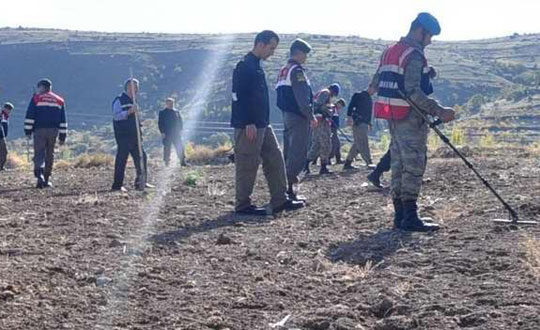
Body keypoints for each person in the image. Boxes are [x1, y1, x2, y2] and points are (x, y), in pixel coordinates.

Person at [371, 12, 455, 232]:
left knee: (398, 164)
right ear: (420, 31)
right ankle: (410, 217)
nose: (430, 41)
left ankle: (400, 216)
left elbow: (377, 83)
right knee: (414, 164)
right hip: (409, 117)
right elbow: (413, 92)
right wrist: (440, 110)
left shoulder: (390, 51)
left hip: (392, 116)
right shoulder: (414, 55)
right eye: (429, 36)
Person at [231, 30, 305, 215]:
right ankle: (243, 205)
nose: (272, 52)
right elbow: (237, 96)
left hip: (262, 123)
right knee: (247, 163)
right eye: (271, 48)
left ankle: (280, 200)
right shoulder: (244, 66)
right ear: (260, 44)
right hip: (250, 125)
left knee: (275, 158)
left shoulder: (255, 65)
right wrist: (248, 122)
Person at [276, 38, 316, 201]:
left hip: (286, 115)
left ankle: (284, 188)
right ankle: (289, 190)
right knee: (298, 152)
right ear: (298, 53)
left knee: (288, 151)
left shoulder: (284, 70)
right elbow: (301, 97)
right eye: (305, 54)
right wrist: (310, 115)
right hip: (298, 116)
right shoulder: (297, 71)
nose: (305, 58)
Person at [24, 79, 67, 188]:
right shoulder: (59, 100)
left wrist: (28, 131)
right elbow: (63, 120)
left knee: (39, 154)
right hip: (53, 131)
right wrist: (63, 136)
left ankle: (40, 176)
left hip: (39, 130)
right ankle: (47, 178)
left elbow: (30, 116)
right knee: (50, 153)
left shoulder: (36, 98)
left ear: (41, 87)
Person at [111, 78, 153, 192]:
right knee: (121, 160)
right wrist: (129, 111)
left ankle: (141, 182)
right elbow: (116, 116)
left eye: (137, 87)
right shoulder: (119, 100)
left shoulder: (134, 101)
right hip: (124, 136)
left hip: (135, 136)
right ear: (128, 87)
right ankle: (117, 185)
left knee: (142, 158)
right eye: (135, 87)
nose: (137, 89)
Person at [305, 83, 341, 174]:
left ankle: (306, 164)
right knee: (326, 143)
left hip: (317, 121)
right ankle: (323, 166)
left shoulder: (321, 93)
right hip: (322, 121)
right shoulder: (326, 93)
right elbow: (319, 106)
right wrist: (328, 112)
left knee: (316, 144)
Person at [343, 87, 375, 170]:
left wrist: (369, 123)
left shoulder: (369, 99)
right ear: (370, 87)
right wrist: (349, 117)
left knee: (357, 143)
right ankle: (369, 162)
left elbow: (368, 113)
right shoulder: (359, 95)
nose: (374, 92)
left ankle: (348, 163)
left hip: (364, 123)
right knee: (363, 142)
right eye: (374, 90)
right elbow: (351, 106)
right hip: (358, 122)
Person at [158, 97, 186, 167]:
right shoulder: (162, 112)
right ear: (166, 104)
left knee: (180, 147)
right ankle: (166, 162)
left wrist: (181, 130)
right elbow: (160, 123)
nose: (171, 105)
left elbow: (180, 121)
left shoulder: (176, 112)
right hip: (167, 133)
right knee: (167, 148)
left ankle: (182, 162)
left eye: (172, 103)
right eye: (169, 103)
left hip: (176, 133)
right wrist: (162, 132)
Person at [330, 98, 346, 165]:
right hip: (332, 129)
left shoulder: (336, 110)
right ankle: (328, 158)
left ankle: (338, 159)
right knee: (334, 144)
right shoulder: (333, 108)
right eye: (341, 106)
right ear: (339, 103)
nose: (341, 108)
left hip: (335, 128)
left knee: (338, 144)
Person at [0, 102, 14, 171]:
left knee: (3, 152)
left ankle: (1, 167)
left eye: (10, 109)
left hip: (2, 137)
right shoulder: (2, 115)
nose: (9, 111)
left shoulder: (6, 116)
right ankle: (1, 167)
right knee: (4, 151)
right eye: (8, 109)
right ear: (5, 108)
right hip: (1, 137)